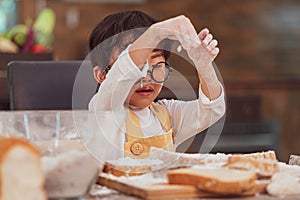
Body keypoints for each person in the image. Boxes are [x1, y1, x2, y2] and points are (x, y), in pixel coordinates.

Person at [87, 10, 225, 159]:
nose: (147, 78)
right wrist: (155, 34)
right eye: (140, 67)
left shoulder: (168, 115)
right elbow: (122, 73)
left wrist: (203, 64)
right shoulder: (102, 110)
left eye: (157, 66)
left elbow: (212, 109)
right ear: (103, 75)